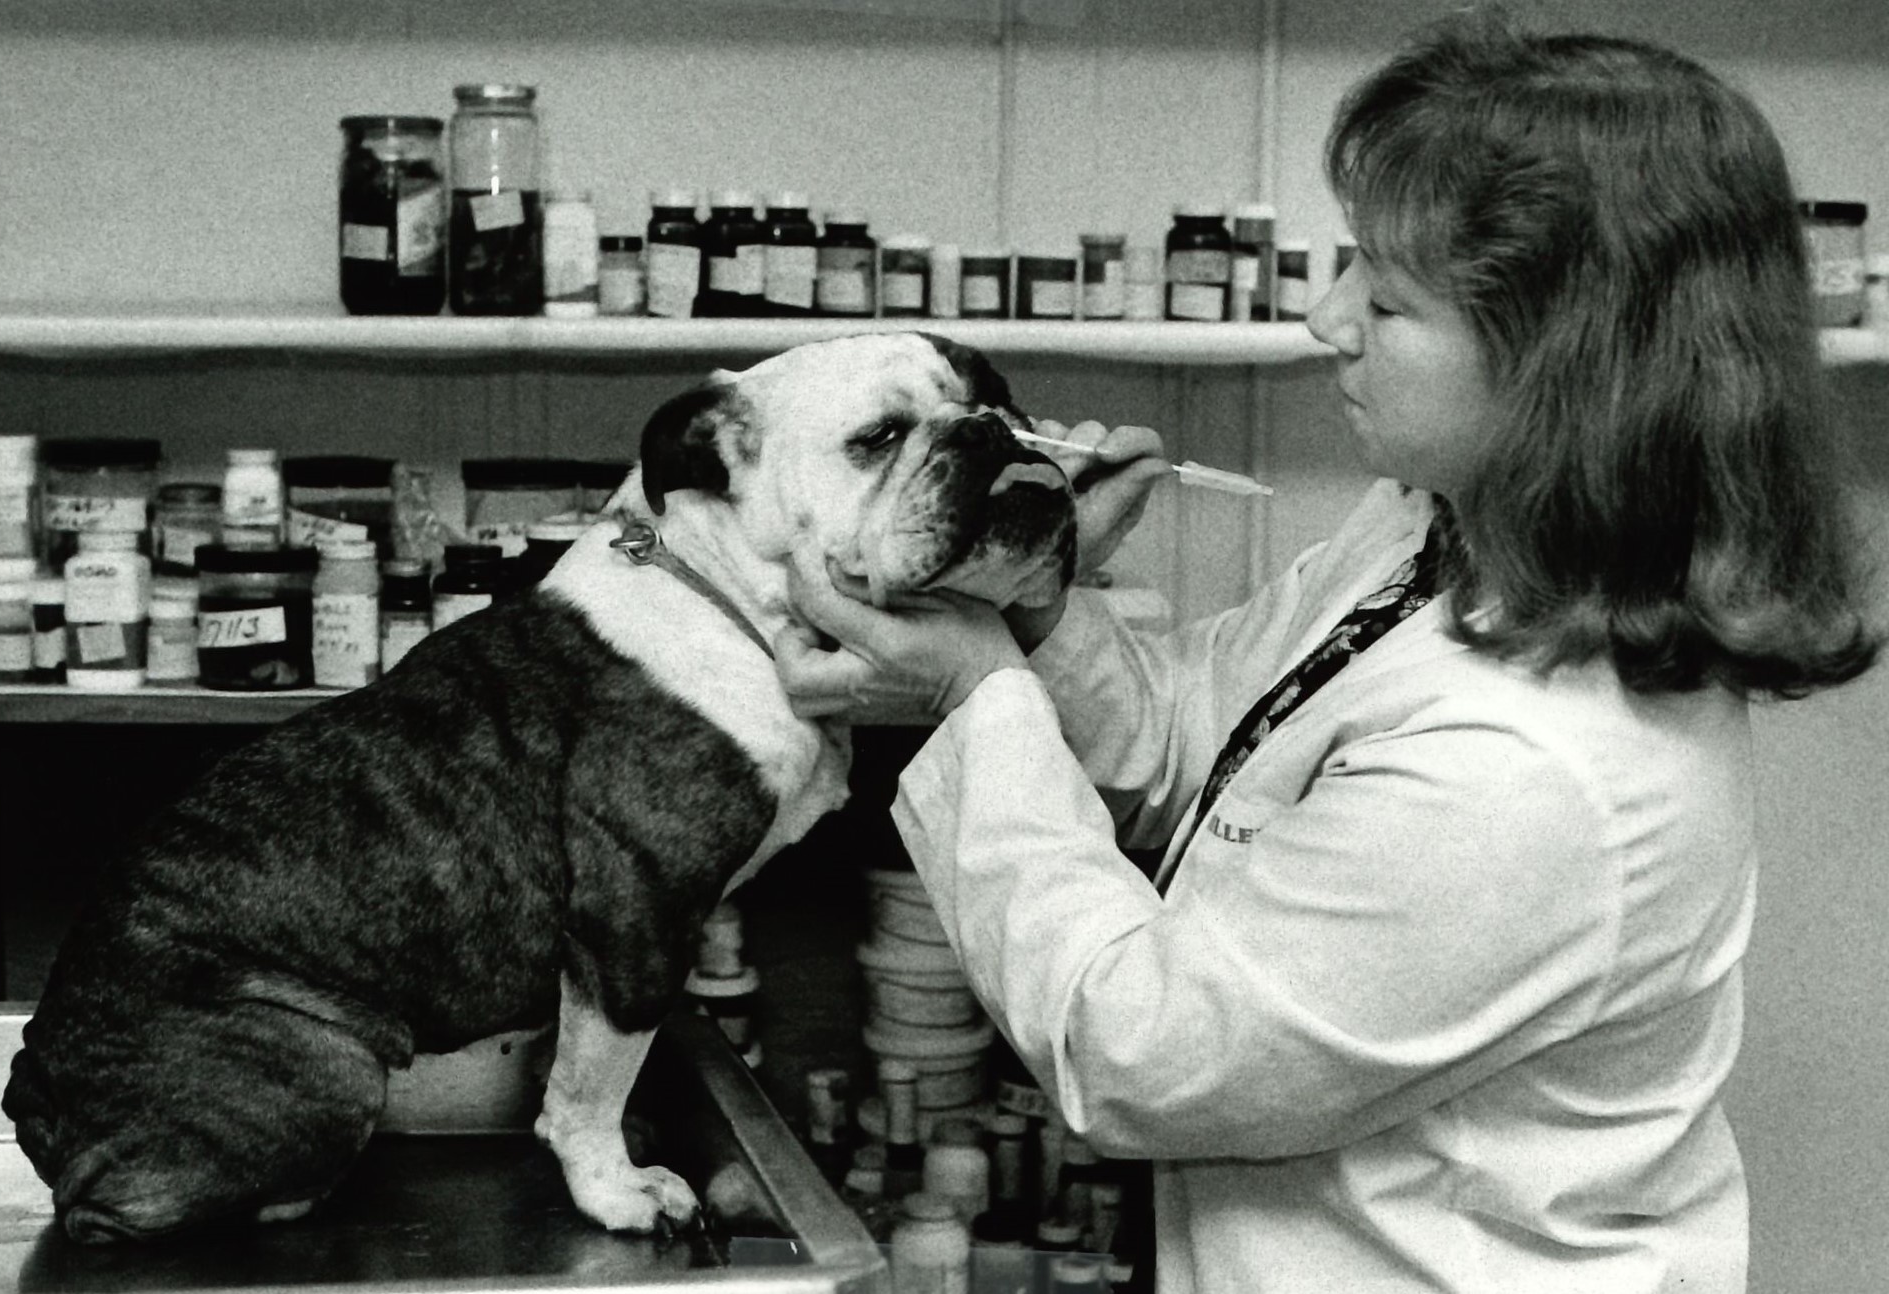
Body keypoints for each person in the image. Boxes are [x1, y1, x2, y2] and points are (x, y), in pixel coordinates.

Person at [775, 10, 1880, 1291]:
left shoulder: (1533, 771)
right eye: (1345, 262)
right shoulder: (1439, 528)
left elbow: (1139, 1057)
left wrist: (977, 692)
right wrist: (1033, 596)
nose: (1322, 319)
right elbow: (1201, 745)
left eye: (1387, 297)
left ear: (1565, 369)